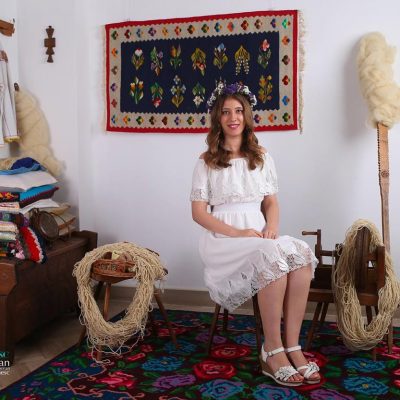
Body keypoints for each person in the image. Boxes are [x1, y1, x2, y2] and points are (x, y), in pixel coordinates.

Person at [190, 82, 321, 387]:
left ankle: (292, 346)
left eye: (238, 111)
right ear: (218, 117)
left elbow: (271, 202)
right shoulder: (206, 161)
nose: (232, 117)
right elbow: (199, 213)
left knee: (301, 254)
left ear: (246, 116)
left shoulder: (261, 157)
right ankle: (271, 350)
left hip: (259, 234)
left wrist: (271, 226)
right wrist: (238, 232)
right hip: (224, 239)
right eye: (225, 112)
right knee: (271, 257)